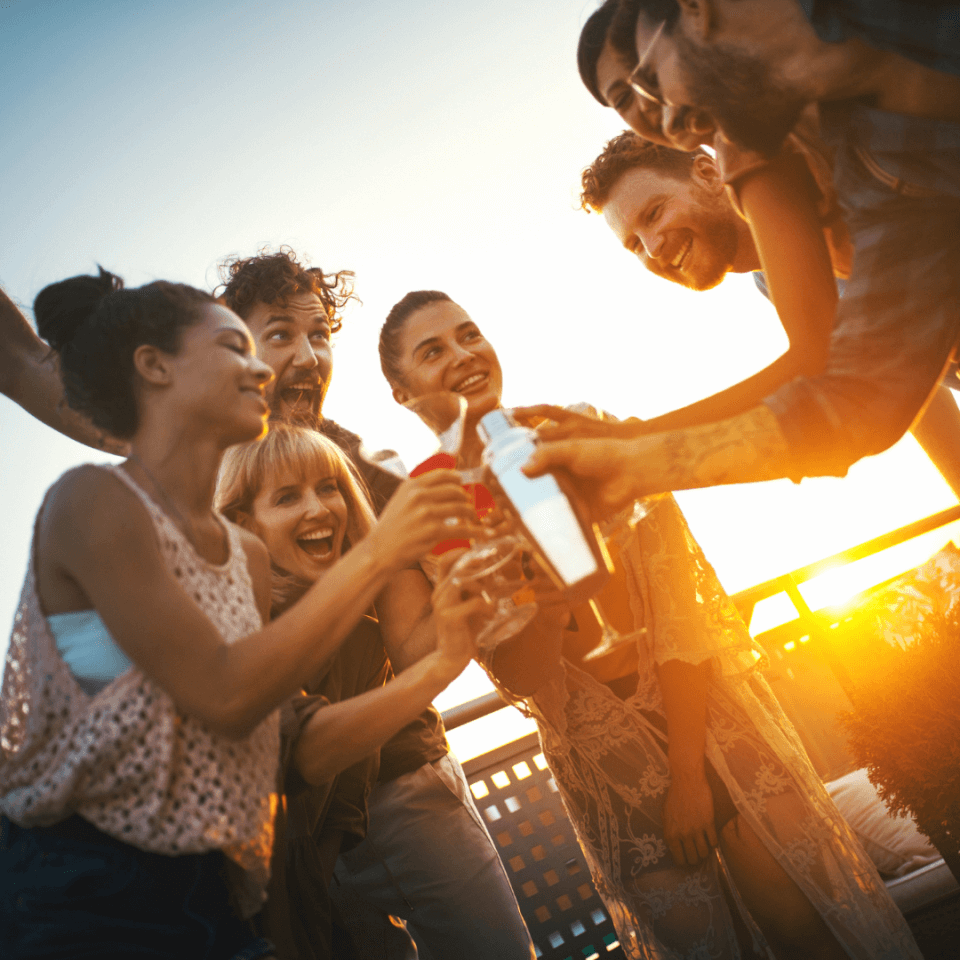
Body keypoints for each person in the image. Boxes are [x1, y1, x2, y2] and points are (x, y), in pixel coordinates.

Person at [378, 288, 923, 960]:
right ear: (402, 394)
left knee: (805, 924)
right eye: (433, 352)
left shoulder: (584, 428)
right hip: (603, 764)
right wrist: (543, 601)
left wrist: (690, 772)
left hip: (708, 714)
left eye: (469, 334)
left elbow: (679, 605)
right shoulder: (440, 513)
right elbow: (520, 676)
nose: (463, 354)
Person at [0, 269, 480, 959]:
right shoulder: (95, 502)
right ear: (157, 369)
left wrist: (445, 652)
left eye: (311, 338)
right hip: (80, 886)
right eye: (243, 345)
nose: (271, 366)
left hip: (218, 879)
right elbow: (225, 693)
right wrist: (378, 557)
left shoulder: (244, 557)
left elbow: (277, 730)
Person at [217, 249, 536, 960]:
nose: (306, 356)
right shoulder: (198, 490)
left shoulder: (370, 471)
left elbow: (416, 645)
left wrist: (474, 600)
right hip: (289, 827)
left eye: (319, 334)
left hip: (402, 785)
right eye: (280, 336)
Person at [528, 1, 960, 502]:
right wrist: (635, 459)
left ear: (700, 12)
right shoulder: (884, 179)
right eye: (628, 97)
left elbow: (827, 364)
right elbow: (872, 388)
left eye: (649, 75)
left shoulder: (781, 138)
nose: (670, 117)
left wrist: (635, 445)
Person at [216, 423, 493, 959]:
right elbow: (299, 753)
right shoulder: (231, 620)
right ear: (244, 524)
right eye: (288, 496)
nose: (320, 509)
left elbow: (338, 811)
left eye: (329, 487)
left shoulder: (367, 641)